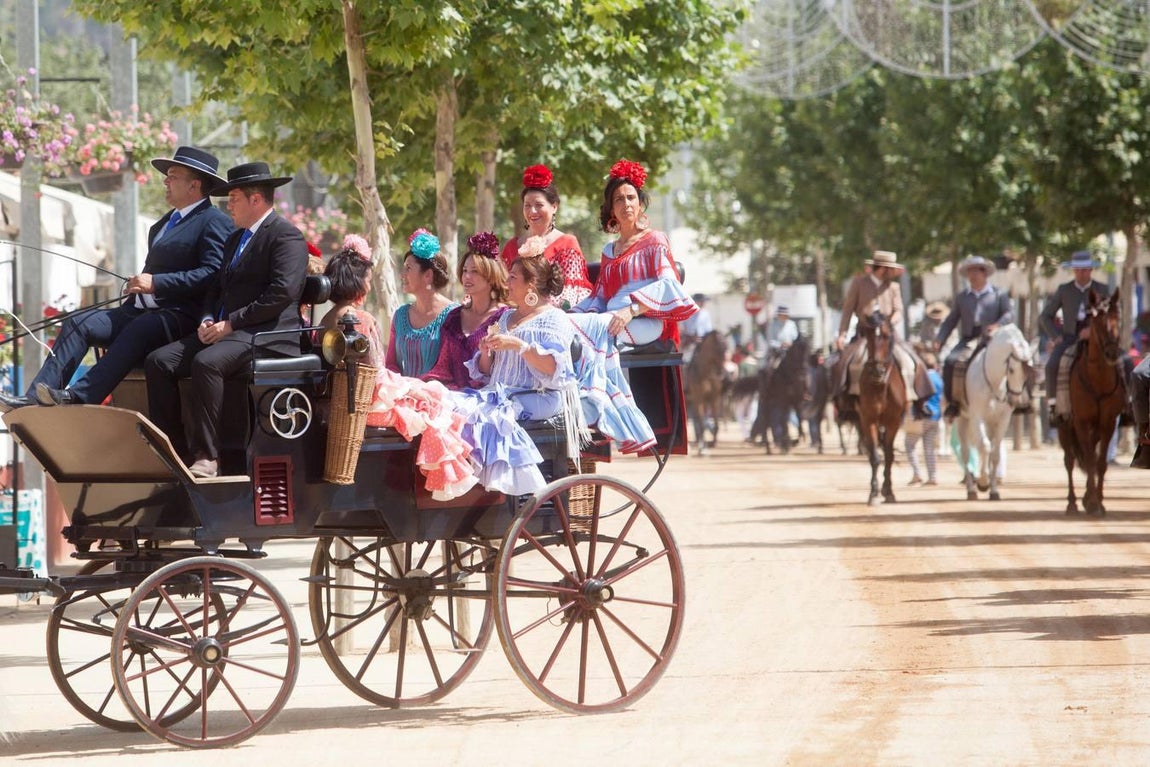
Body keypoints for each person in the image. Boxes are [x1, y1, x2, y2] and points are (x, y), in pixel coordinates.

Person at [0, 146, 232, 411]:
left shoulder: (213, 221)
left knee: (140, 328)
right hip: (139, 312)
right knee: (78, 321)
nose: (165, 181)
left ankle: (79, 396)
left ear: (195, 185)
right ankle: (34, 399)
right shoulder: (163, 224)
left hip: (180, 317)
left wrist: (156, 283)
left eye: (173, 175)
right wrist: (137, 286)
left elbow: (212, 273)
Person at [144, 161, 308, 478]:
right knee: (159, 361)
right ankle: (173, 450)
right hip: (229, 332)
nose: (227, 206)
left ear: (255, 199)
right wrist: (208, 319)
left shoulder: (286, 237)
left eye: (233, 198)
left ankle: (208, 456)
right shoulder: (235, 239)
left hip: (268, 335)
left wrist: (231, 323)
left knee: (207, 362)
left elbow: (280, 294)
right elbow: (216, 288)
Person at [317, 234, 477, 500]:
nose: (370, 283)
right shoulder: (362, 318)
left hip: (358, 399)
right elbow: (377, 372)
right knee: (433, 408)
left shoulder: (326, 317)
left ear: (428, 276)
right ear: (358, 282)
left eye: (408, 268)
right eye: (368, 278)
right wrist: (413, 389)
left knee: (433, 399)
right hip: (369, 402)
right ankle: (441, 484)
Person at [458, 252, 587, 494]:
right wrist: (487, 351)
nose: (507, 283)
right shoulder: (506, 317)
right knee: (457, 408)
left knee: (489, 416)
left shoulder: (554, 318)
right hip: (500, 392)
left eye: (513, 277)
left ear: (531, 284)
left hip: (538, 396)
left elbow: (554, 368)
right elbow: (485, 371)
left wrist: (520, 347)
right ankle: (468, 487)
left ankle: (501, 485)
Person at [572, 159, 697, 349]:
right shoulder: (609, 251)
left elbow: (668, 285)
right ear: (612, 209)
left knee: (596, 329)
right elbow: (600, 296)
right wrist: (571, 315)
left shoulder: (655, 241)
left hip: (643, 321)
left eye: (631, 197)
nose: (626, 204)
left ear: (640, 204)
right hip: (611, 320)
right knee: (570, 326)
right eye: (619, 199)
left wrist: (630, 310)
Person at [833, 250, 933, 411]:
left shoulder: (893, 287)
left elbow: (899, 310)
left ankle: (920, 402)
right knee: (845, 361)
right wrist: (842, 334)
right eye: (891, 269)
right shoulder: (859, 283)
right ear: (883, 269)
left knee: (913, 360)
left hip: (888, 334)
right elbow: (848, 310)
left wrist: (889, 322)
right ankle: (843, 400)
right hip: (864, 333)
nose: (894, 273)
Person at [422, 231, 509, 390]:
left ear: (491, 276)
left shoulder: (505, 317)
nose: (467, 277)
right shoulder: (453, 317)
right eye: (465, 271)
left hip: (490, 402)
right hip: (452, 400)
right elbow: (442, 369)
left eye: (474, 271)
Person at [499, 164, 592, 309]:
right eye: (527, 205)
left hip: (551, 317)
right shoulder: (512, 246)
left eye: (539, 205)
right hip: (511, 315)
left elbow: (570, 295)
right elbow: (501, 289)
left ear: (554, 207)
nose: (532, 211)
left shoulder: (567, 244)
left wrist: (534, 310)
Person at [934, 255, 1013, 418]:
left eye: (975, 272)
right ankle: (953, 403)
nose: (972, 276)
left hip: (992, 339)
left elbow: (1009, 314)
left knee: (1017, 361)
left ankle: (1018, 399)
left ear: (984, 273)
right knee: (950, 362)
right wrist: (940, 339)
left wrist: (997, 325)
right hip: (969, 338)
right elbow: (951, 320)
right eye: (969, 272)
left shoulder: (999, 294)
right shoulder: (962, 297)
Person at [1039, 250, 1109, 424]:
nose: (1081, 273)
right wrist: (1056, 336)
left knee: (1123, 362)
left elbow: (1110, 316)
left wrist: (1092, 331)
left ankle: (1126, 406)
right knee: (1051, 365)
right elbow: (1045, 316)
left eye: (1084, 270)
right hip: (1069, 337)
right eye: (1077, 270)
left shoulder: (1102, 289)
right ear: (1073, 271)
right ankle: (1054, 406)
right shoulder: (1064, 290)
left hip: (1098, 339)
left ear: (1091, 270)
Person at [386, 228, 458, 377]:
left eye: (408, 268)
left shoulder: (454, 315)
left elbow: (453, 368)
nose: (402, 274)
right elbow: (391, 365)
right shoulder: (400, 316)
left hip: (441, 396)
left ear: (428, 275)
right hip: (403, 395)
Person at [905, 353, 943, 486]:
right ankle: (932, 476)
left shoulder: (922, 378)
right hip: (935, 417)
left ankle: (917, 473)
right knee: (929, 448)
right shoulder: (939, 379)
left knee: (909, 445)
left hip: (921, 416)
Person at [679, 293, 713, 362]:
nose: (703, 303)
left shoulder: (706, 314)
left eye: (703, 301)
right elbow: (682, 327)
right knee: (686, 357)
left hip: (703, 340)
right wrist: (690, 337)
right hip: (689, 340)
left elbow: (709, 329)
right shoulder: (687, 312)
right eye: (701, 301)